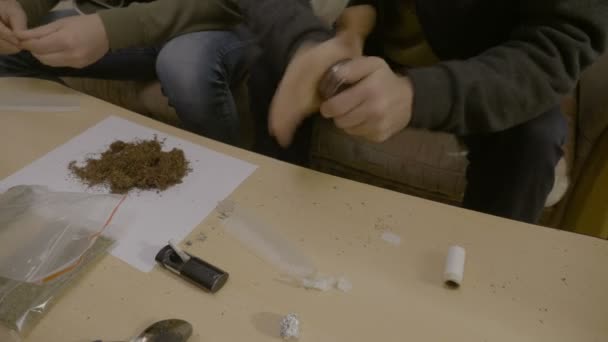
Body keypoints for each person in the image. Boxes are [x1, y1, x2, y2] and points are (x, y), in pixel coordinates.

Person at [241, 0, 608, 223]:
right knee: (279, 66)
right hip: (379, 40)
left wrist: (418, 96)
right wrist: (316, 41)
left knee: (534, 137)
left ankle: (473, 284)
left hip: (491, 64)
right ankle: (280, 223)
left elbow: (558, 45)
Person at [0, 0, 253, 145]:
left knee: (185, 67)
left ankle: (230, 181)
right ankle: (72, 151)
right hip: (114, 17)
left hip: (210, 23)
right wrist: (18, 7)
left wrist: (111, 29)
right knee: (10, 50)